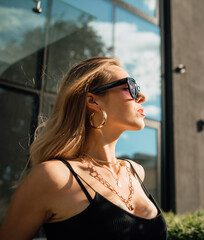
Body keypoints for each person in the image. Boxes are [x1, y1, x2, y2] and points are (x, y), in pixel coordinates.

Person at [0, 57, 167, 240]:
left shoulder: (136, 171)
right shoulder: (54, 177)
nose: (142, 97)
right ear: (93, 101)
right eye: (130, 87)